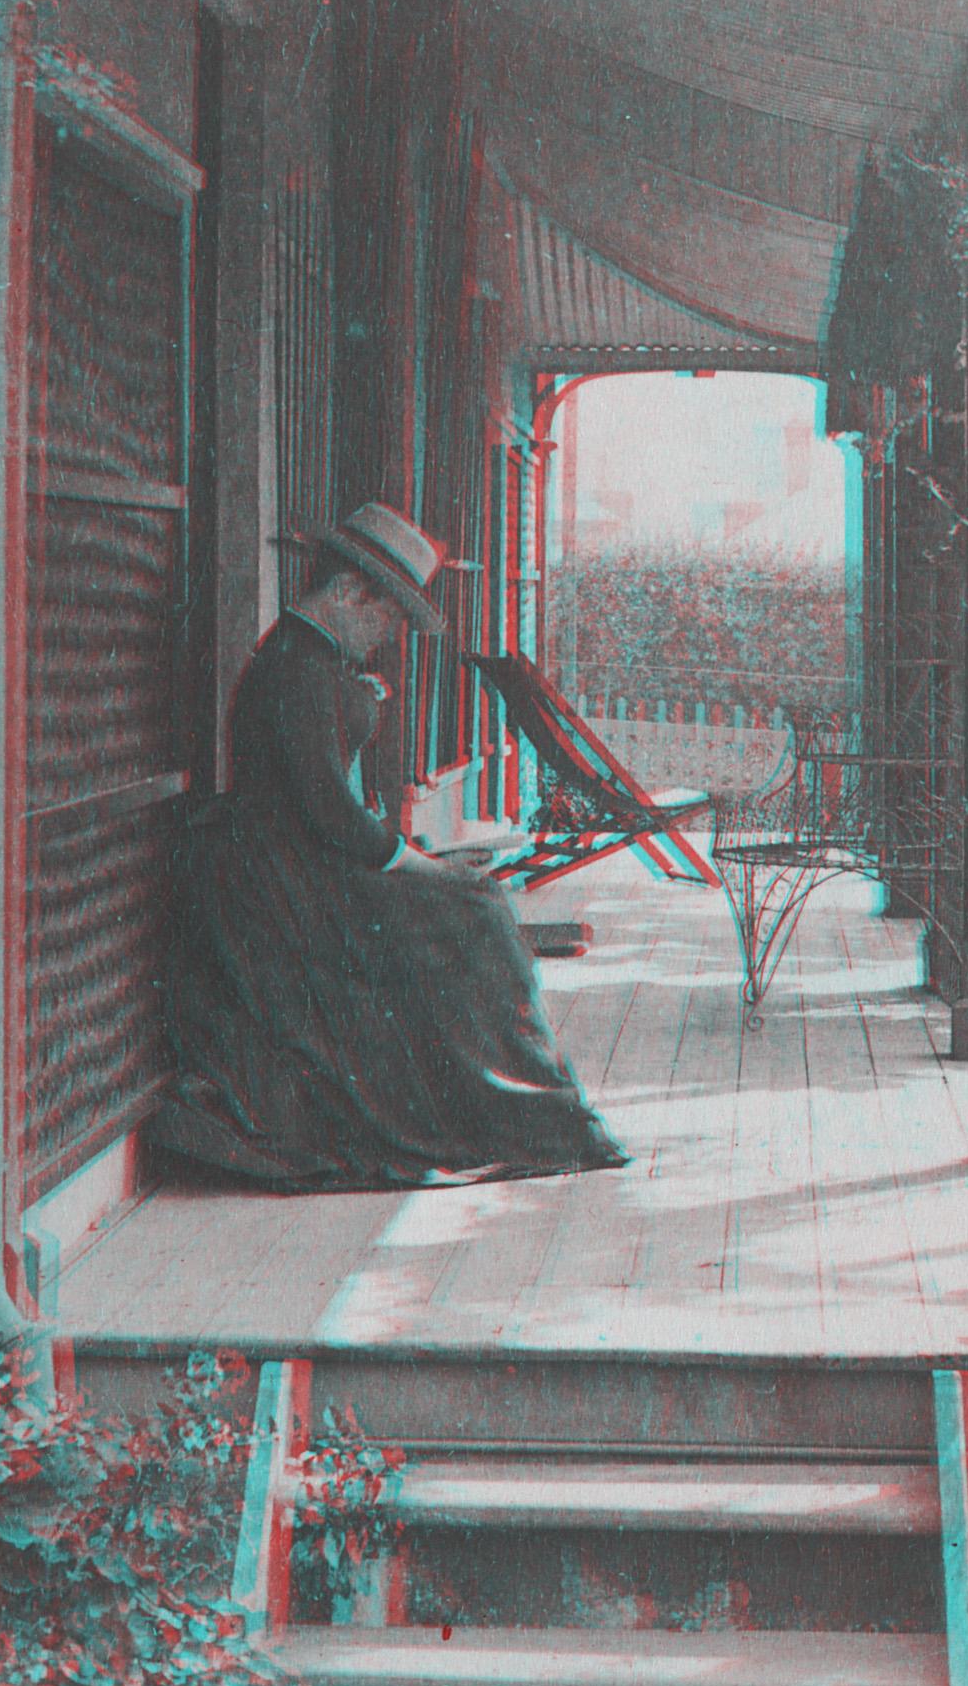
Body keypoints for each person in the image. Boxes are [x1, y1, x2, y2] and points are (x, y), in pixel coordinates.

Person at [148, 500, 630, 1190]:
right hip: (281, 876)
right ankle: (505, 1114)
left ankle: (512, 1107)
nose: (386, 634)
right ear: (347, 590)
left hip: (295, 858)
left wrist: (359, 704)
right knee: (474, 911)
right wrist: (422, 866)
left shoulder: (310, 656)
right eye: (384, 615)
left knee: (477, 906)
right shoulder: (296, 670)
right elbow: (331, 816)